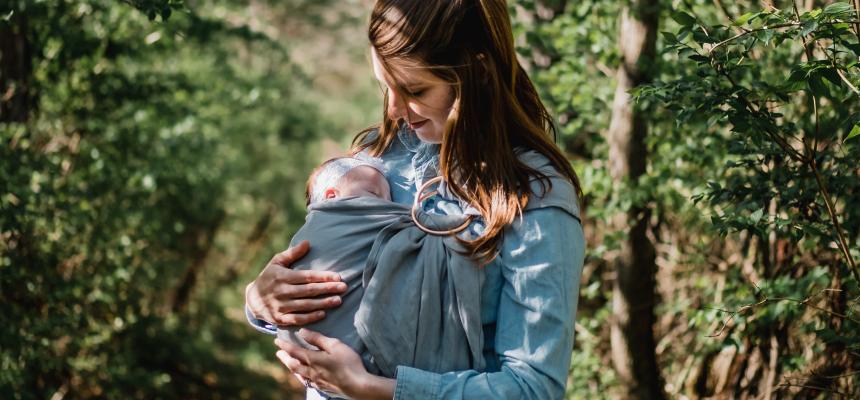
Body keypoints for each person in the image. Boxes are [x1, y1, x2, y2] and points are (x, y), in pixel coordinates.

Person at [245, 1, 586, 398]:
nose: (393, 108)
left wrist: (374, 388)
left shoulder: (533, 195)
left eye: (414, 90)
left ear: (477, 73)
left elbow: (533, 387)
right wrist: (259, 302)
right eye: (385, 85)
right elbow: (322, 278)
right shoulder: (374, 160)